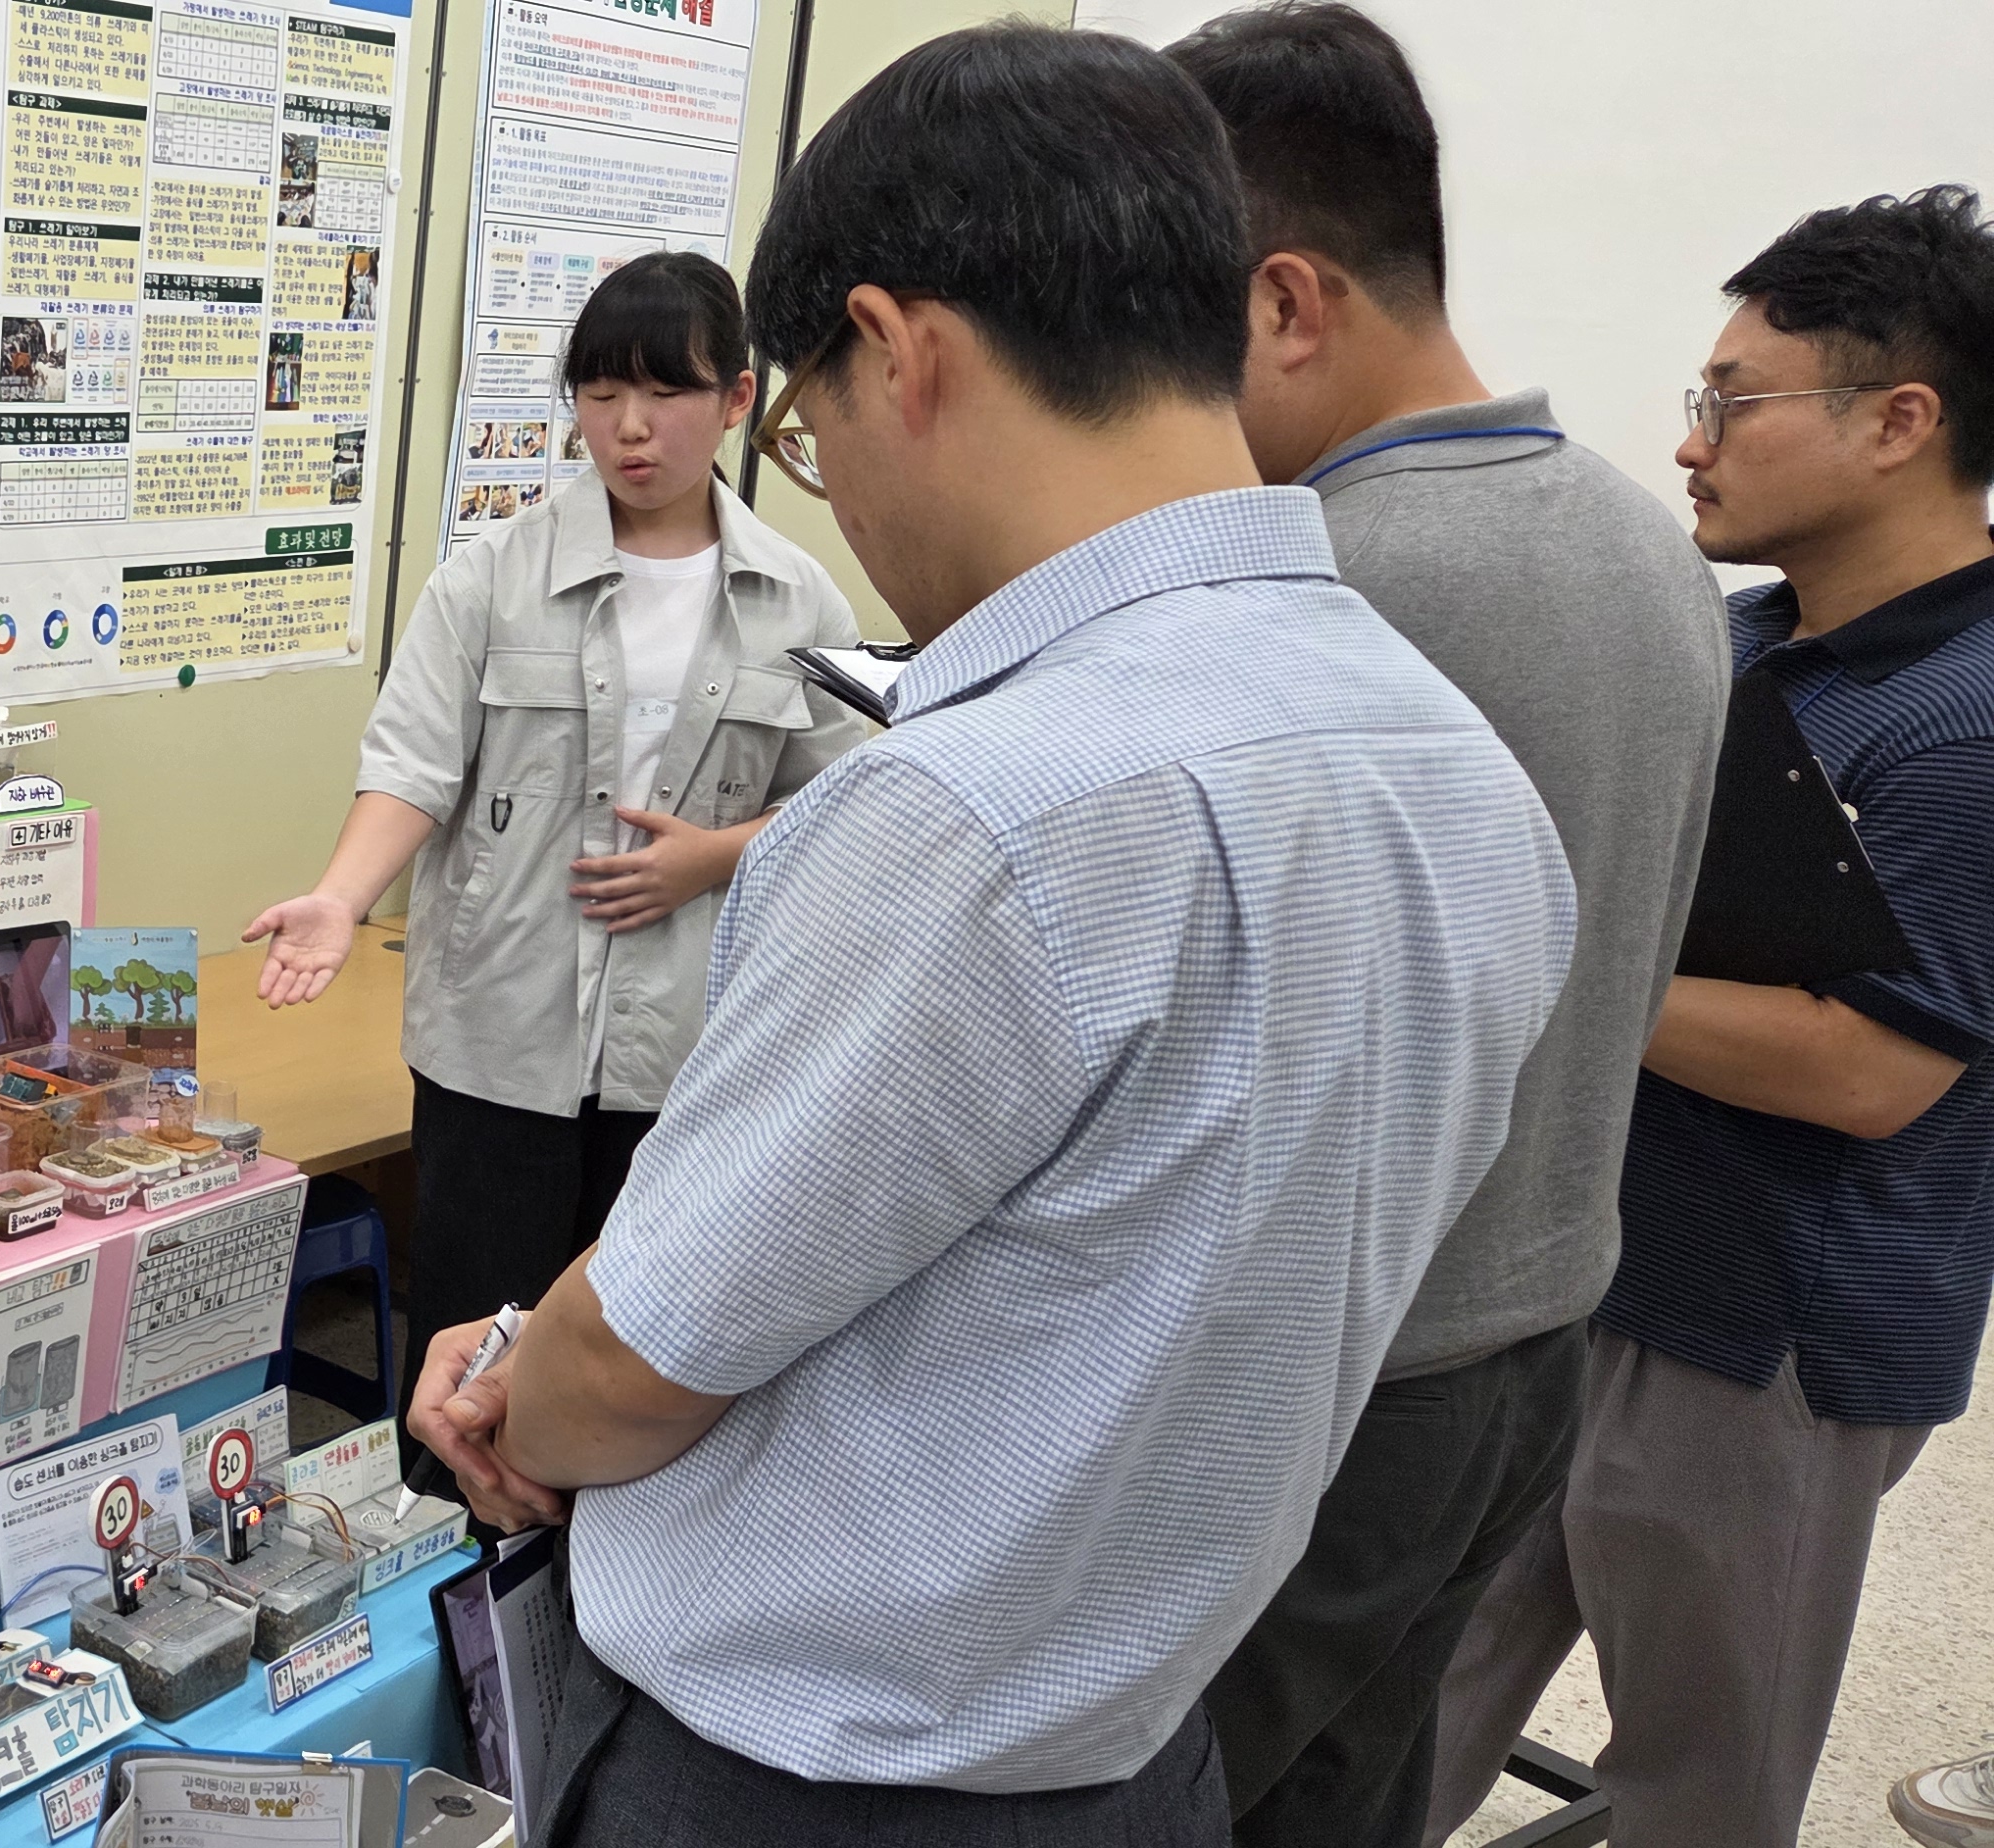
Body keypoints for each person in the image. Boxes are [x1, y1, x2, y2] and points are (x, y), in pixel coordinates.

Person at [403, 25, 1577, 1842]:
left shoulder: (977, 807)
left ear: (899, 349)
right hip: (1138, 1740)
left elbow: (639, 1363)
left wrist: (504, 1384)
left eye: (802, 424)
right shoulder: (1464, 768)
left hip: (811, 1772)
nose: (835, 492)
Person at [1153, 12, 1734, 1844]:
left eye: (1154, 340)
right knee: (1358, 1789)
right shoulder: (1654, 546)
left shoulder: (1323, 586)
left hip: (1330, 1384)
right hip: (1537, 1328)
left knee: (1166, 1800)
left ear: (1283, 305)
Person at [1428, 186, 1994, 1848]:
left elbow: (1871, 1068)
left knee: (1692, 1784)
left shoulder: (1965, 723)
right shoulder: (1749, 643)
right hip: (1587, 1269)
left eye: (1732, 401)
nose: (1691, 444)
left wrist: (1553, 947)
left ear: (1901, 421)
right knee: (1413, 1685)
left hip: (1765, 1343)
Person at [244, 253, 864, 1400]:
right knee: (468, 1366)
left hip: (688, 1050)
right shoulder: (489, 579)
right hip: (496, 1032)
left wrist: (711, 859)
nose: (631, 429)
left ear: (735, 399)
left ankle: (606, 1581)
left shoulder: (796, 595)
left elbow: (852, 807)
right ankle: (468, 1576)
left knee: (638, 1372)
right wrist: (339, 896)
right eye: (598, 394)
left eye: (667, 394)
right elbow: (410, 766)